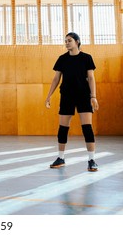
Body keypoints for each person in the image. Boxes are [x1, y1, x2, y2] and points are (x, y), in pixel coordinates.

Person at [45, 32, 99, 172]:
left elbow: (91, 78)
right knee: (63, 128)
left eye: (69, 40)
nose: (67, 43)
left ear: (77, 41)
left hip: (83, 96)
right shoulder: (62, 59)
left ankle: (91, 160)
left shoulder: (87, 58)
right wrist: (49, 96)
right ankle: (60, 158)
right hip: (67, 96)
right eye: (65, 41)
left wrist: (93, 96)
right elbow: (56, 79)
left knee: (87, 127)